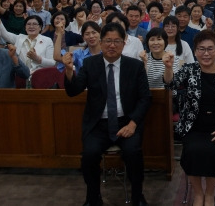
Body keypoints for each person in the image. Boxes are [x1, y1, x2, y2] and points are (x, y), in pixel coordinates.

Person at [64, 22, 151, 206]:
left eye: (117, 41)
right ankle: (93, 197)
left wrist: (133, 123)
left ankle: (138, 196)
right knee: (89, 155)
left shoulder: (134, 66)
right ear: (101, 42)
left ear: (124, 43)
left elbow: (145, 98)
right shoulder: (90, 64)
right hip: (98, 125)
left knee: (134, 153)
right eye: (108, 41)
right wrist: (70, 71)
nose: (112, 45)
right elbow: (73, 91)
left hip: (126, 122)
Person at [163, 29, 215, 206]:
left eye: (210, 49)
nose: (206, 53)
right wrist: (168, 69)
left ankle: (210, 194)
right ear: (195, 50)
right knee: (191, 152)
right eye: (201, 49)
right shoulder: (188, 70)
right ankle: (198, 193)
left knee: (213, 152)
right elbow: (170, 83)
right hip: (193, 127)